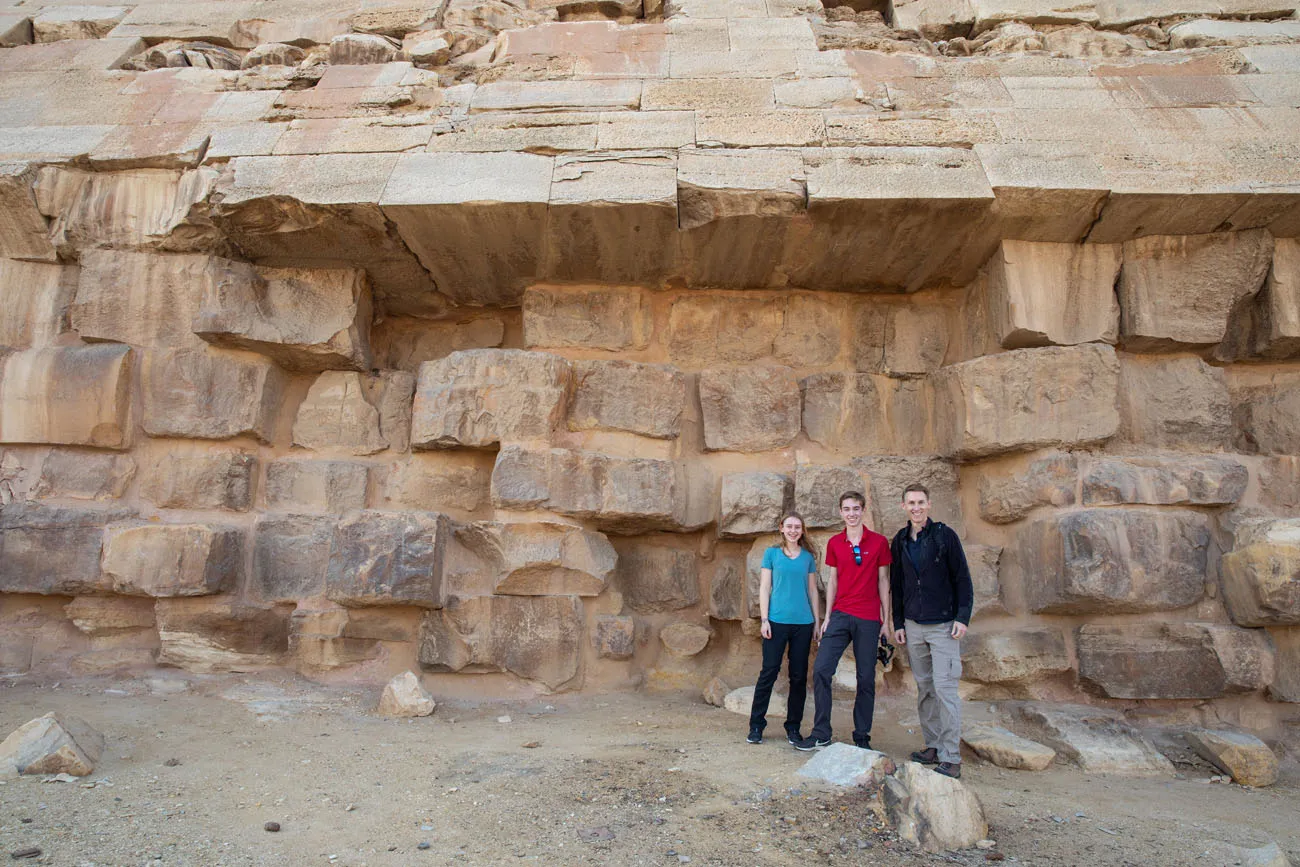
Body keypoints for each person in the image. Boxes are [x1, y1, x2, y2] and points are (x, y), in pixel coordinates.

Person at [794, 491, 892, 752]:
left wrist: (886, 620)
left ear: (863, 510)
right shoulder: (835, 543)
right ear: (841, 512)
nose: (851, 513)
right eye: (847, 509)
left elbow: (884, 581)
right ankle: (821, 732)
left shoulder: (880, 542)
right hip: (840, 615)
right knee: (822, 670)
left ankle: (862, 736)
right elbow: (833, 580)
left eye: (856, 509)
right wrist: (827, 617)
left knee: (866, 678)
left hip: (869, 618)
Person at [889, 484, 973, 779]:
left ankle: (951, 757)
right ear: (903, 506)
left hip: (943, 627)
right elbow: (896, 586)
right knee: (925, 688)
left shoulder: (944, 536)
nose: (916, 507)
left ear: (929, 504)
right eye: (911, 502)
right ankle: (934, 746)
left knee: (945, 688)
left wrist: (962, 617)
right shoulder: (899, 541)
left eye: (921, 502)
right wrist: (898, 623)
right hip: (913, 626)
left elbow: (962, 577)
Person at [747, 513, 821, 746]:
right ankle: (756, 726)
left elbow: (812, 591)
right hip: (776, 622)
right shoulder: (772, 554)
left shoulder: (807, 557)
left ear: (802, 530)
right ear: (781, 528)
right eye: (789, 526)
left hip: (803, 624)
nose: (793, 530)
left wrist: (817, 622)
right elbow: (765, 587)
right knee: (768, 672)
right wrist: (764, 619)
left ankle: (793, 728)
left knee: (798, 677)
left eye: (797, 527)